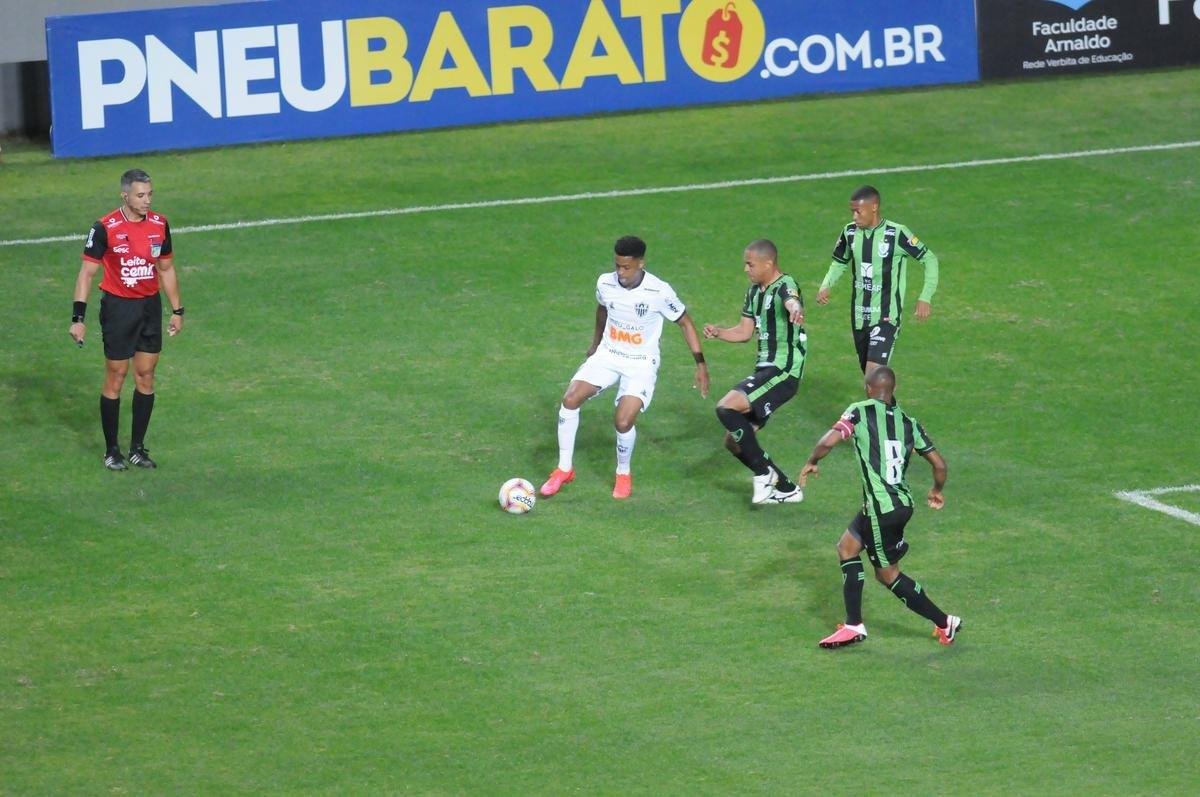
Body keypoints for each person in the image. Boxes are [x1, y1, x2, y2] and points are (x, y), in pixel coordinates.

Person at [798, 366, 961, 648]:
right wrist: (936, 490)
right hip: (897, 504)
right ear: (892, 390)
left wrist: (813, 460)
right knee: (847, 547)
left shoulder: (860, 411)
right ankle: (854, 622)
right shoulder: (909, 422)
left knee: (887, 575)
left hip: (881, 510)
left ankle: (943, 622)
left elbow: (829, 440)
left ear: (868, 389)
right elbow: (940, 465)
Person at [540, 236, 709, 500]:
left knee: (623, 420)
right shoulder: (605, 283)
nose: (621, 272)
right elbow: (602, 309)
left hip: (641, 363)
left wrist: (700, 364)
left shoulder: (659, 291)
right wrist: (595, 345)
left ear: (641, 263)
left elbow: (685, 323)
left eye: (626, 267)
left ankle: (623, 473)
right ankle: (564, 469)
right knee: (570, 399)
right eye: (617, 265)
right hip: (608, 354)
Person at [69, 168, 185, 471]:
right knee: (117, 375)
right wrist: (77, 318)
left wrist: (176, 310)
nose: (147, 200)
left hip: (149, 307)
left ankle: (136, 448)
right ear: (125, 196)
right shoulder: (105, 227)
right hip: (119, 309)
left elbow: (166, 268)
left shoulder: (160, 225)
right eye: (140, 195)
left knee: (146, 375)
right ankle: (112, 451)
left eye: (150, 194)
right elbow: (87, 273)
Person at [703, 240, 807, 504]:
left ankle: (763, 474)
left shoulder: (785, 284)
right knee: (734, 442)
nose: (746, 269)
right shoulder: (753, 292)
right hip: (765, 371)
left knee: (726, 407)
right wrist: (720, 332)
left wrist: (795, 308)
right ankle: (786, 489)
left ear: (768, 263)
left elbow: (791, 300)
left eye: (750, 264)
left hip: (783, 370)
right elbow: (744, 332)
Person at [816, 186, 939, 375]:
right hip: (859, 317)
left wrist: (925, 296)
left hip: (886, 317)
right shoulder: (849, 233)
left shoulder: (897, 233)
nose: (854, 217)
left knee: (873, 375)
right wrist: (826, 285)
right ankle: (891, 405)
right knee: (872, 382)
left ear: (874, 207)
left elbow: (929, 259)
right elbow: (839, 262)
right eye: (852, 212)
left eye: (858, 211)